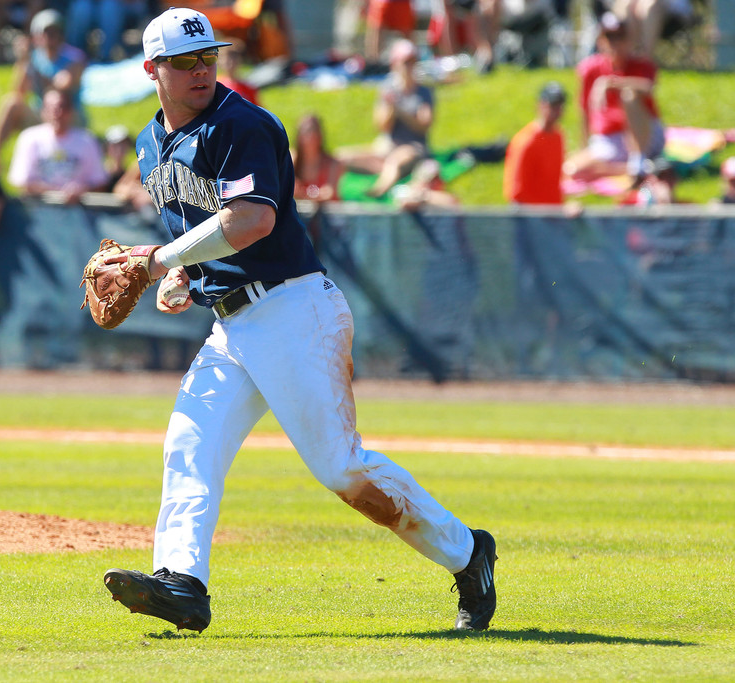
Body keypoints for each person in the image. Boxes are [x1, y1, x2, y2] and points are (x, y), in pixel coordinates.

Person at [101, 6, 498, 635]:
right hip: (232, 324)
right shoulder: (151, 145)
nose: (201, 69)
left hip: (292, 310)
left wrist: (160, 262)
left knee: (341, 467)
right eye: (184, 61)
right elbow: (199, 236)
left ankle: (468, 553)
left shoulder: (243, 124)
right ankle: (182, 583)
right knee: (189, 445)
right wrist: (182, 277)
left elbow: (252, 220)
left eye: (209, 56)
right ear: (152, 70)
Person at [563, 12, 664, 184]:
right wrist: (584, 145)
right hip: (610, 140)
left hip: (645, 135)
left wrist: (611, 83)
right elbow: (585, 110)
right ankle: (635, 169)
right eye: (610, 37)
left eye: (620, 36)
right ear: (601, 40)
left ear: (629, 39)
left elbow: (649, 87)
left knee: (629, 95)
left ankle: (638, 160)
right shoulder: (590, 68)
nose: (615, 43)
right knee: (572, 169)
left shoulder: (642, 64)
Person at [0, 8, 87, 154]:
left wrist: (31, 63)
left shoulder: (75, 58)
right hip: (41, 114)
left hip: (69, 117)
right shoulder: (34, 58)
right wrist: (23, 61)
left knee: (56, 109)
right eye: (45, 32)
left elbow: (59, 89)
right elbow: (19, 92)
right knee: (11, 103)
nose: (50, 36)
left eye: (54, 32)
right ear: (36, 36)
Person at [6, 87, 108, 201]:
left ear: (71, 112)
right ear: (43, 112)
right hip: (39, 206)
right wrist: (58, 193)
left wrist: (81, 190)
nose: (57, 114)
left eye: (62, 108)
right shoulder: (29, 138)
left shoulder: (87, 140)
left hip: (79, 208)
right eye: (51, 109)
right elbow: (22, 182)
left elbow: (99, 183)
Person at [365, 39, 434, 198]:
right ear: (395, 64)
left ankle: (379, 191)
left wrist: (400, 110)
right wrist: (390, 108)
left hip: (414, 146)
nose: (409, 66)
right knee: (344, 157)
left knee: (395, 161)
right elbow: (382, 126)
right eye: (405, 62)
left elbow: (424, 125)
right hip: (387, 145)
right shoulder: (388, 89)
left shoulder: (423, 92)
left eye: (412, 61)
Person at [503, 81, 567, 205]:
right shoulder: (526, 141)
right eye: (553, 105)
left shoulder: (559, 136)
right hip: (531, 213)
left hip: (553, 211)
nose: (557, 111)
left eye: (560, 105)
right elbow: (517, 193)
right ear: (540, 105)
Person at [66, 0, 147, 63]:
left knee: (109, 8)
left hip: (121, 5)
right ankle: (74, 57)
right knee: (81, 8)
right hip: (90, 4)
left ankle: (106, 58)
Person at [292, 113, 344, 202]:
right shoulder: (292, 160)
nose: (311, 136)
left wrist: (304, 195)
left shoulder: (333, 163)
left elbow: (330, 194)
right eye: (307, 132)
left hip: (326, 210)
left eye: (314, 131)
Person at [216, 39, 258, 106]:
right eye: (226, 57)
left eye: (234, 57)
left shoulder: (248, 87)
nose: (231, 61)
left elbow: (255, 108)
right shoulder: (216, 84)